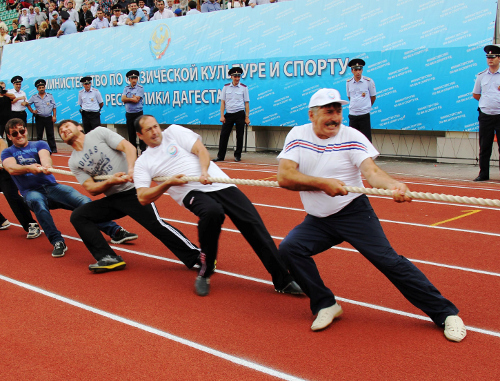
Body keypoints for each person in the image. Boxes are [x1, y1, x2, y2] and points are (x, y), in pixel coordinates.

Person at [276, 88, 466, 342]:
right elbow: (284, 176)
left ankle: (446, 314)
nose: (335, 117)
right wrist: (323, 183)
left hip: (353, 212)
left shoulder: (352, 136)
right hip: (318, 219)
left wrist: (393, 186)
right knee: (290, 249)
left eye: (338, 111)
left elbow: (372, 172)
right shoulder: (297, 135)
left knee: (389, 262)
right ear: (311, 115)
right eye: (328, 111)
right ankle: (325, 304)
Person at [133, 115, 303, 296]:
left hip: (220, 183)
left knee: (253, 224)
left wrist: (205, 171)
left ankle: (282, 280)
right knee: (213, 212)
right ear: (140, 135)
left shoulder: (174, 132)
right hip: (191, 193)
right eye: (149, 130)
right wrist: (168, 183)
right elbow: (143, 197)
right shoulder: (143, 162)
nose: (155, 131)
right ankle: (205, 271)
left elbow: (201, 150)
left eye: (156, 127)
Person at [57, 119, 202, 273]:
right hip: (113, 198)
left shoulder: (98, 133)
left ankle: (197, 256)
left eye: (66, 126)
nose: (64, 130)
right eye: (60, 131)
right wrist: (110, 182)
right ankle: (108, 257)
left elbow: (129, 147)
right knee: (79, 216)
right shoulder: (73, 161)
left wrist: (132, 169)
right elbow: (91, 188)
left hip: (133, 191)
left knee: (156, 225)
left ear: (79, 126)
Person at [1, 118, 137, 257]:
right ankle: (57, 241)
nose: (20, 135)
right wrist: (29, 168)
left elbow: (45, 157)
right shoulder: (7, 152)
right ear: (10, 137)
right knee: (38, 203)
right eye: (15, 133)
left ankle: (115, 231)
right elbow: (11, 168)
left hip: (52, 187)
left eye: (22, 130)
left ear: (26, 130)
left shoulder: (39, 144)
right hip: (31, 192)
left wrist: (46, 165)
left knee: (82, 201)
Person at [0, 136, 42, 238]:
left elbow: (1, 142)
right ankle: (1, 221)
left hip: (1, 170)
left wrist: (1, 160)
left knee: (11, 195)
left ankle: (31, 224)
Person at [472, 44, 500, 181]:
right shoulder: (481, 76)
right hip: (485, 115)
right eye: (488, 57)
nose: (490, 59)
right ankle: (483, 174)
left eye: (493, 57)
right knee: (484, 147)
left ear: (499, 58)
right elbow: (476, 94)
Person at [213, 67, 249, 163]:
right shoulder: (226, 87)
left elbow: (246, 103)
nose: (237, 78)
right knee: (224, 135)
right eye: (235, 76)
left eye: (238, 76)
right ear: (231, 77)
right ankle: (220, 156)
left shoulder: (244, 88)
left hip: (240, 113)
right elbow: (223, 102)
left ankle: (237, 155)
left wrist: (247, 117)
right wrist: (222, 115)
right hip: (229, 114)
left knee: (239, 135)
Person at [346, 58, 376, 142]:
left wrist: (366, 106)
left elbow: (373, 97)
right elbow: (349, 97)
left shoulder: (368, 81)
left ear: (362, 70)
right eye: (355, 70)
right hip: (353, 115)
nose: (358, 72)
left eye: (360, 69)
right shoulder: (348, 82)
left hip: (364, 115)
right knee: (353, 140)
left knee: (366, 140)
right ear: (352, 71)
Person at [26, 79, 58, 153]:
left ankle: (53, 148)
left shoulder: (50, 96)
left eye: (42, 87)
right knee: (39, 134)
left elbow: (54, 106)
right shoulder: (34, 97)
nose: (41, 89)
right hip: (39, 118)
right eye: (40, 88)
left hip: (48, 118)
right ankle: (39, 148)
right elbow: (28, 104)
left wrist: (54, 116)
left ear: (45, 87)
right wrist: (32, 111)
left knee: (50, 134)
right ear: (37, 89)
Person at [122, 70, 147, 153]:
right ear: (129, 79)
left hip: (138, 114)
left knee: (141, 132)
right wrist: (131, 99)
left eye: (135, 78)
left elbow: (136, 100)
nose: (134, 80)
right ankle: (134, 153)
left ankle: (143, 152)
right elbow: (122, 99)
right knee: (131, 135)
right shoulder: (126, 88)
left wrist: (128, 99)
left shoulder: (140, 88)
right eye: (132, 78)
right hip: (129, 114)